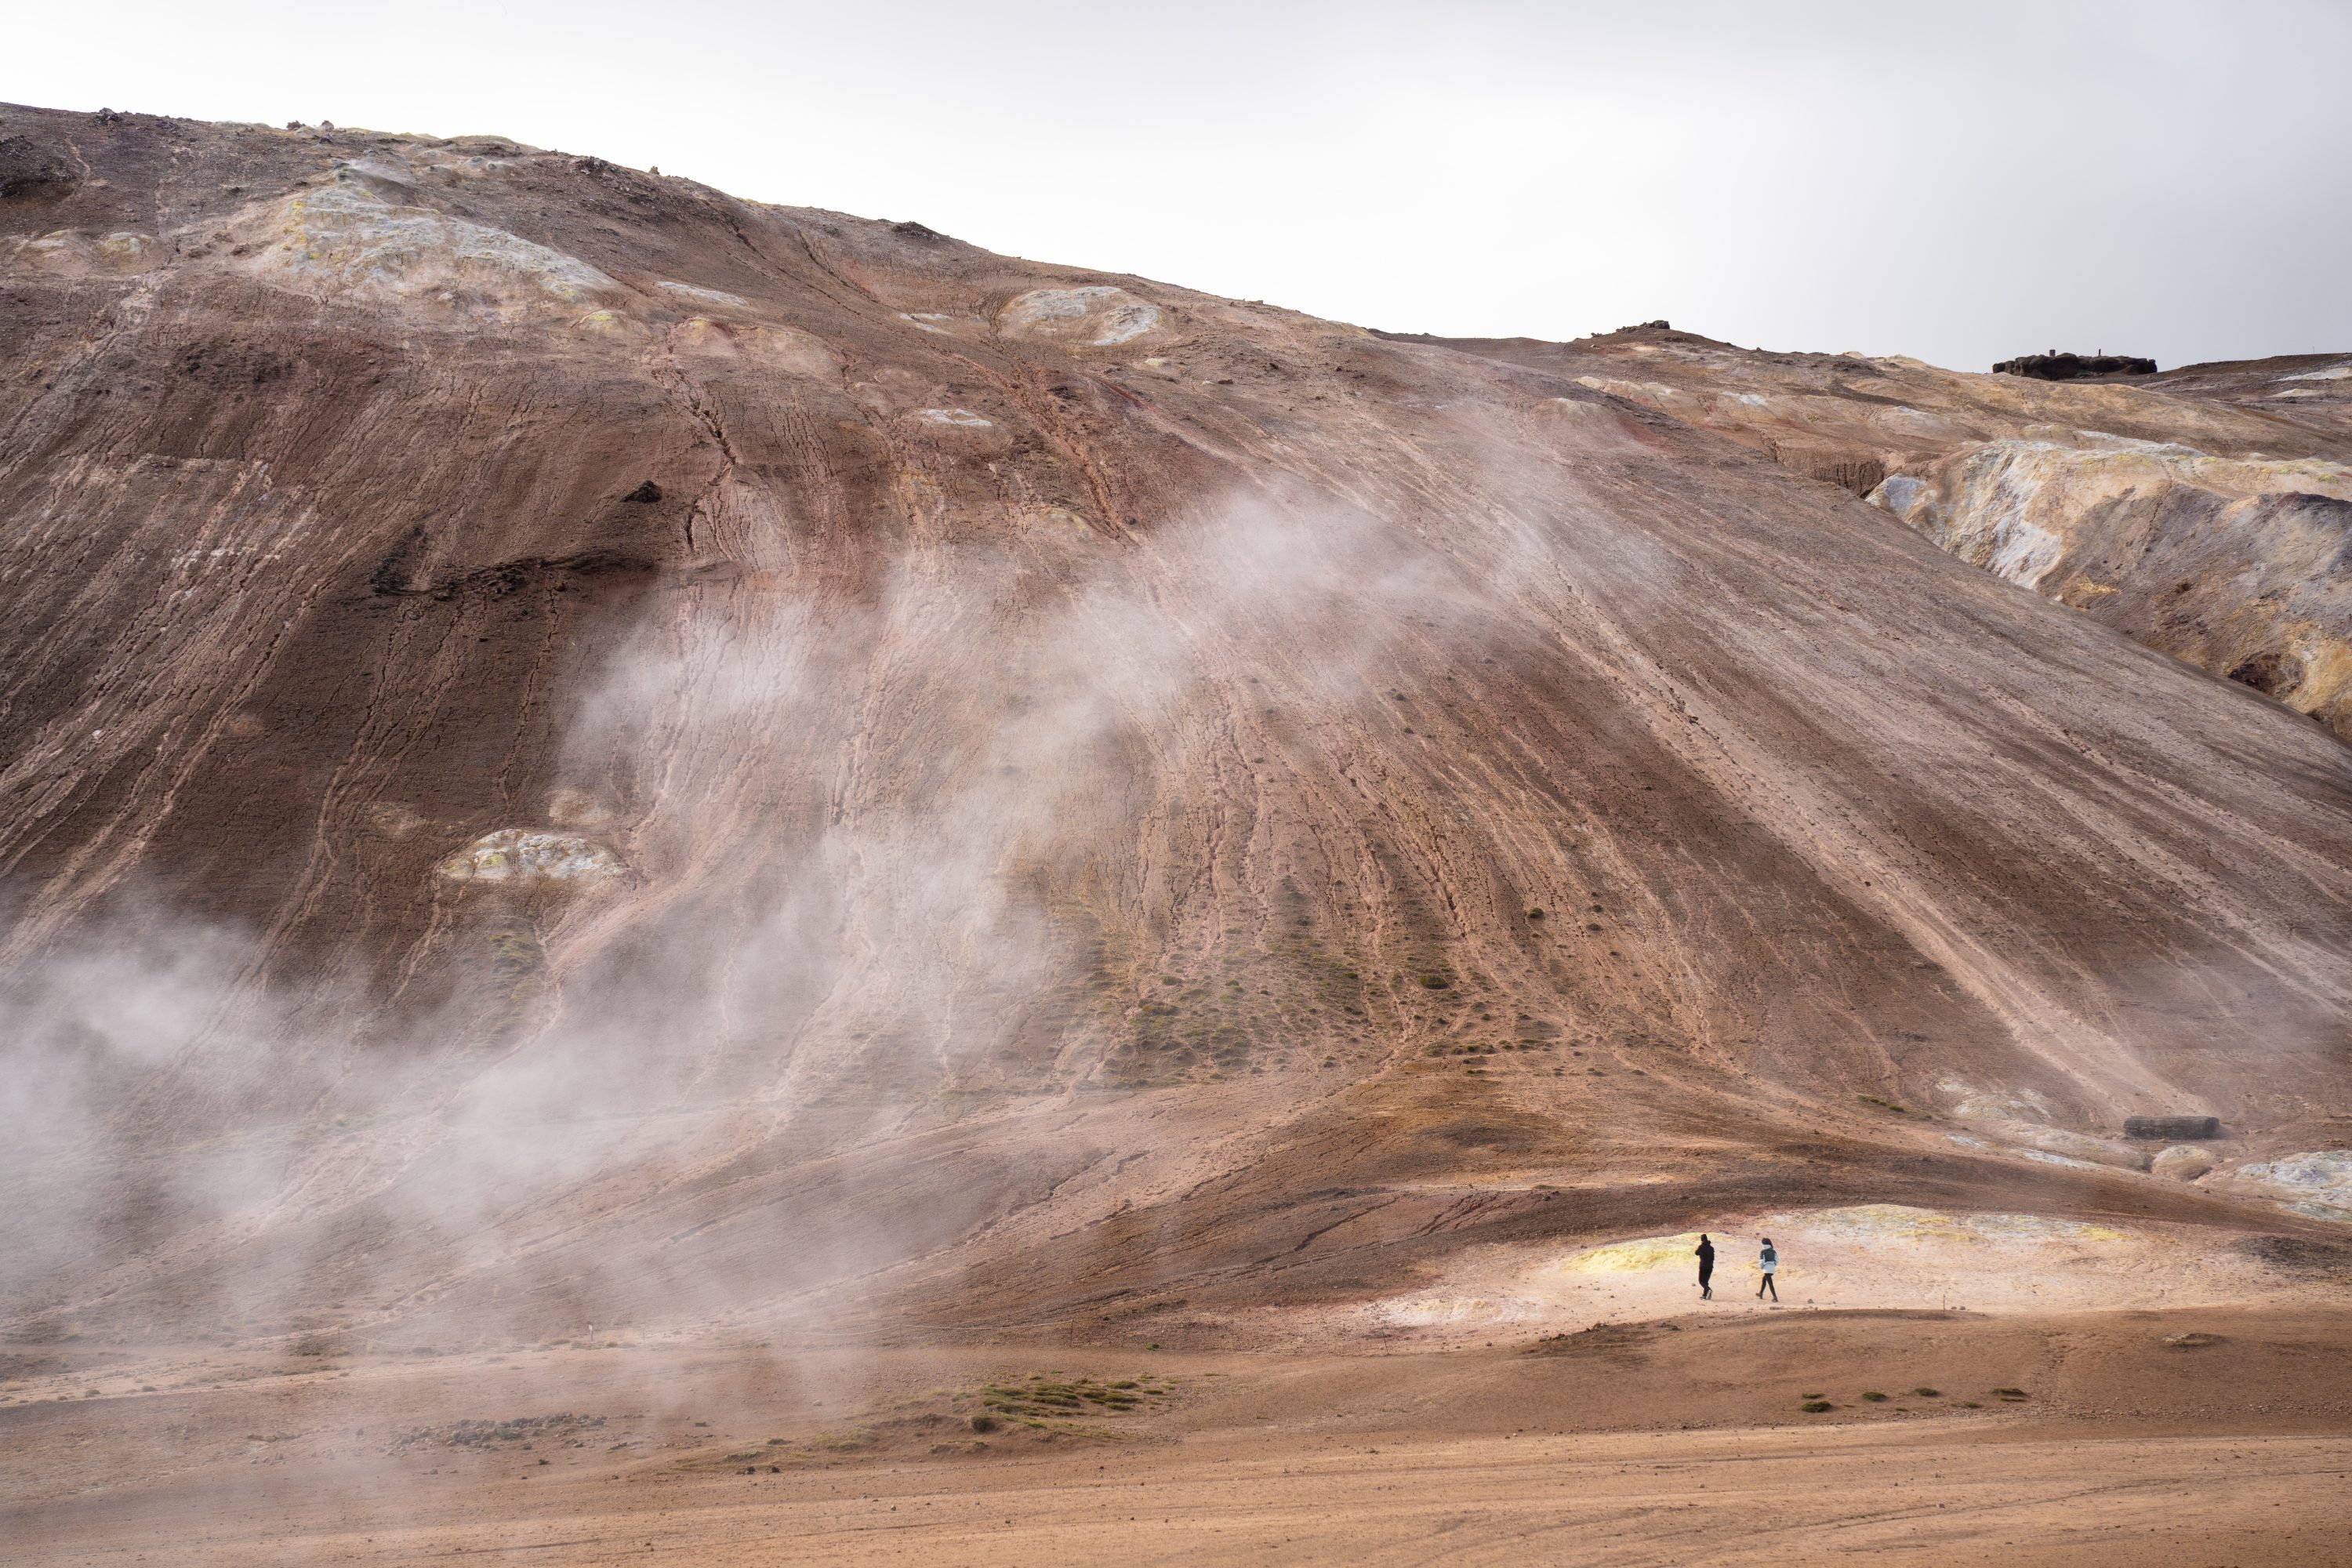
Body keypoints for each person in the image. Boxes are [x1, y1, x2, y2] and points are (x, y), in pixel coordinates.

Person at [1756, 1236, 1779, 1301]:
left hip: (1766, 1269)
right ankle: (1761, 1293)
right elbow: (1777, 1261)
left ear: (1763, 1244)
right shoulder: (1773, 1251)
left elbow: (1762, 1261)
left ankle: (1775, 1297)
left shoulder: (1763, 1251)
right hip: (1772, 1269)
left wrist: (1762, 1267)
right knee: (1764, 1280)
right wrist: (1773, 1265)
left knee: (1770, 1283)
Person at [1694, 1233, 1715, 1299]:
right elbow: (1713, 1258)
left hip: (1703, 1266)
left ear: (1702, 1239)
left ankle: (1709, 1290)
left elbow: (1696, 1253)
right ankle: (1705, 1295)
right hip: (1710, 1267)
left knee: (1701, 1281)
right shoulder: (1711, 1248)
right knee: (1706, 1282)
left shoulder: (1701, 1247)